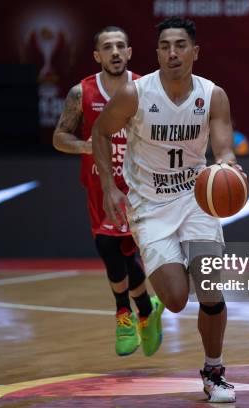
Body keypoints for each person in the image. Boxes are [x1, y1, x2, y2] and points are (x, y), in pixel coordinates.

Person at [92, 17, 243, 403]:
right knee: (177, 299)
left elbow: (223, 146)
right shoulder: (134, 93)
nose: (172, 52)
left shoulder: (213, 95)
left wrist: (228, 165)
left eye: (180, 45)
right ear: (157, 52)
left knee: (210, 288)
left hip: (196, 199)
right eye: (164, 46)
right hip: (149, 205)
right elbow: (101, 132)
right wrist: (109, 185)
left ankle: (214, 372)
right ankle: (161, 292)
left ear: (195, 51)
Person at [52, 26, 163, 357]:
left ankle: (125, 312)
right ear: (97, 56)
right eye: (107, 47)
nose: (114, 52)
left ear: (129, 52)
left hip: (138, 187)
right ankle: (143, 309)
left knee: (120, 249)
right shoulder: (81, 93)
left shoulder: (146, 88)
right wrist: (87, 146)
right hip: (100, 184)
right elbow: (59, 137)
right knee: (111, 247)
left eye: (120, 46)